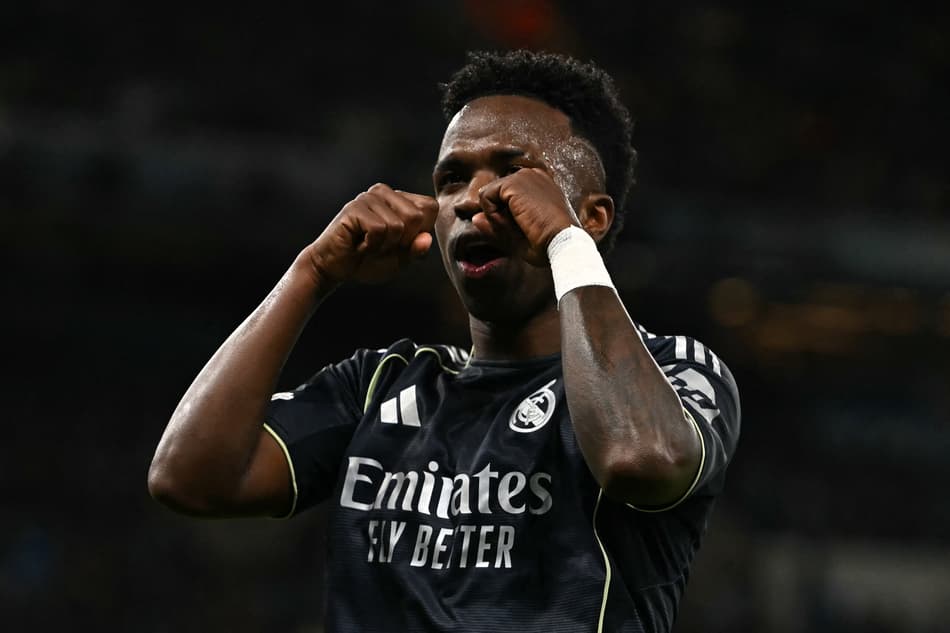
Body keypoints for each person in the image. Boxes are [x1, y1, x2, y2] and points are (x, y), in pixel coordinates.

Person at [148, 48, 741, 633]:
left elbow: (640, 461)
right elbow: (190, 477)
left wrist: (564, 243)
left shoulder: (673, 370)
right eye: (452, 178)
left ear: (593, 216)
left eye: (512, 172)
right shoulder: (381, 385)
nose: (473, 199)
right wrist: (311, 274)